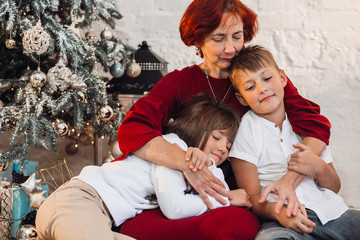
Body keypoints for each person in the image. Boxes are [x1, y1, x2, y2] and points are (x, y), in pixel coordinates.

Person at [117, 0, 331, 216]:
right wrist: (188, 165)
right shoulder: (179, 82)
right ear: (198, 40)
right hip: (181, 191)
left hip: (235, 195)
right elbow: (132, 130)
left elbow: (316, 127)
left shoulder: (263, 80)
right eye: (218, 39)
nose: (231, 49)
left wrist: (289, 181)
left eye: (237, 36)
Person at [35, 97, 252, 240]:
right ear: (198, 128)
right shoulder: (174, 149)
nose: (223, 148)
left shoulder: (194, 171)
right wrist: (228, 198)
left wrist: (210, 164)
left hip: (99, 218)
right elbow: (174, 208)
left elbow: (217, 187)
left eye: (229, 146)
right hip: (80, 202)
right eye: (217, 137)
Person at [228, 45, 360, 239]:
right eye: (250, 87)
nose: (261, 88)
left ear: (283, 79)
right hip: (284, 219)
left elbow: (334, 186)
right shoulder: (247, 131)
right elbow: (252, 198)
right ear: (242, 99)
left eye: (267, 78)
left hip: (332, 214)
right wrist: (278, 212)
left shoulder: (306, 122)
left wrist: (319, 166)